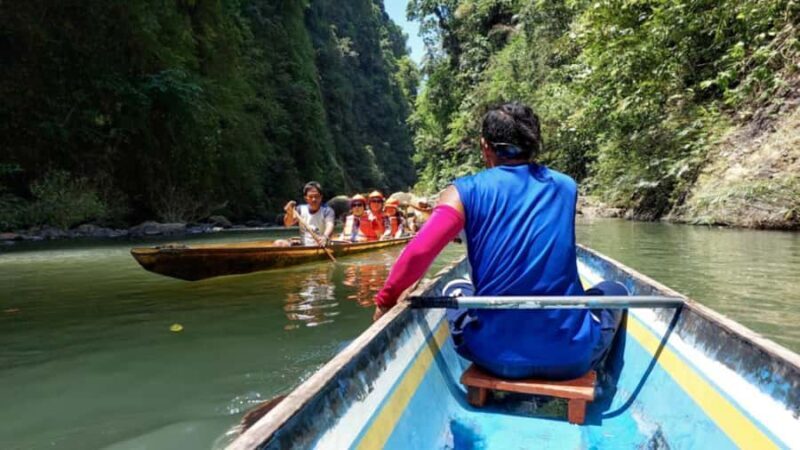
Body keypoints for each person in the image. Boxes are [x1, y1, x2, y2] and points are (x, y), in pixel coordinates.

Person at [372, 102, 626, 381]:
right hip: (571, 358)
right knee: (616, 289)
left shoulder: (462, 192)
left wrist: (385, 302)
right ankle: (605, 377)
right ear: (533, 143)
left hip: (493, 358)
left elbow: (418, 252)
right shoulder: (566, 185)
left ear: (485, 147)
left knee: (456, 287)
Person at [278, 181, 335, 247]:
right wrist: (289, 213)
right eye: (310, 197)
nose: (314, 199)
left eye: (316, 196)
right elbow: (288, 224)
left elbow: (330, 225)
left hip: (321, 245)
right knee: (279, 243)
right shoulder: (300, 209)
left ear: (321, 197)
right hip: (304, 246)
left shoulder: (327, 211)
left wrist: (324, 237)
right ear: (306, 198)